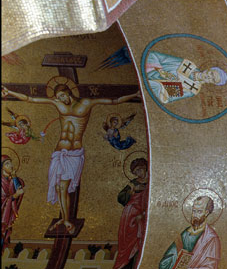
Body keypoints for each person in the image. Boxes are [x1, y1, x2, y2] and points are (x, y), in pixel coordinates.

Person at [2, 81, 140, 234]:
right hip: (59, 151)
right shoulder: (58, 103)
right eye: (58, 97)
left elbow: (113, 101)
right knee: (59, 187)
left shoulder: (86, 103)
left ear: (69, 92)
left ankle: (66, 219)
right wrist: (10, 92)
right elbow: (31, 99)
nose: (61, 99)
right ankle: (65, 219)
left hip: (74, 153)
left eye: (62, 95)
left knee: (63, 187)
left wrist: (135, 94)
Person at [111, 157, 148, 269]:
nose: (138, 173)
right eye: (135, 171)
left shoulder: (151, 181)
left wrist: (143, 214)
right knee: (127, 248)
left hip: (143, 217)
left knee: (141, 245)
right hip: (130, 217)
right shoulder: (132, 183)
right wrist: (131, 192)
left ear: (145, 168)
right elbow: (121, 198)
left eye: (139, 170)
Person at [144, 51, 227, 105]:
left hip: (156, 85)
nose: (209, 76)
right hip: (152, 70)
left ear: (211, 83)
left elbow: (168, 95)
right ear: (208, 69)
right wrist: (160, 70)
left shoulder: (193, 89)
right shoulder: (188, 65)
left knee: (155, 86)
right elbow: (163, 59)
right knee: (152, 56)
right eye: (211, 73)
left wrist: (170, 81)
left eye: (213, 79)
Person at [1, 154, 24, 250]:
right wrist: (14, 196)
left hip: (8, 214)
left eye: (10, 162)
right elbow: (2, 199)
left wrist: (14, 178)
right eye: (7, 163)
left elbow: (19, 189)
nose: (11, 165)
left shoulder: (13, 179)